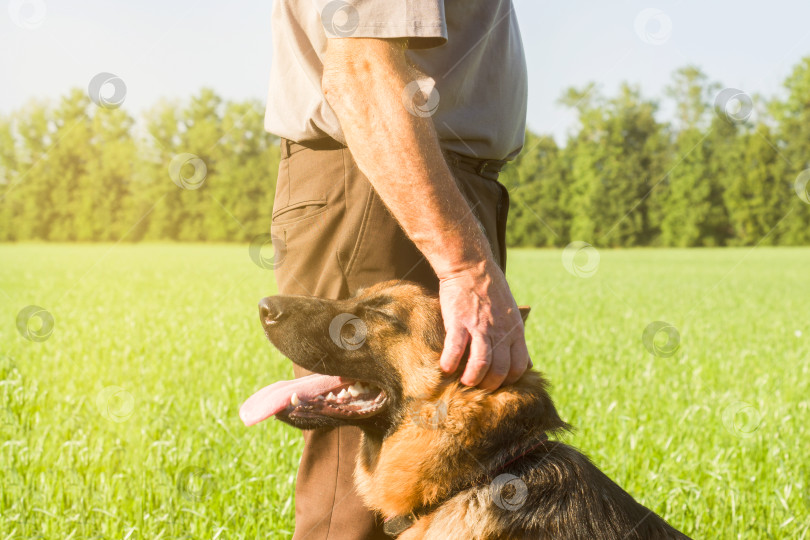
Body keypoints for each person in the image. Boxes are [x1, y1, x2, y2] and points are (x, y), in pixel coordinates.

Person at [264, 1, 530, 538]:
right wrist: (465, 266)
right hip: (384, 180)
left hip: (427, 185)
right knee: (362, 494)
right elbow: (364, 68)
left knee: (435, 480)